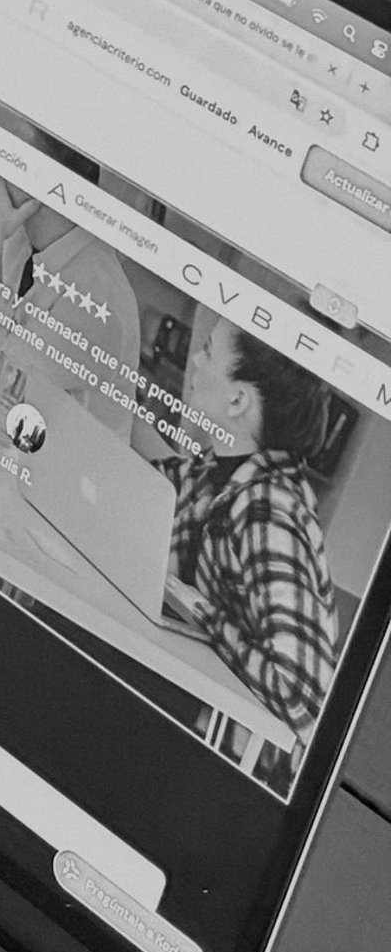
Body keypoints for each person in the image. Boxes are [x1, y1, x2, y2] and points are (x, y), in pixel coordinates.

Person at [165, 311, 340, 738]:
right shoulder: (220, 469)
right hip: (181, 699)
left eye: (208, 352)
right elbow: (163, 479)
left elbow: (302, 697)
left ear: (237, 401)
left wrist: (200, 612)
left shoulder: (268, 509)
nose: (196, 360)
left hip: (214, 743)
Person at [0, 136, 142, 440]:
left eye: (13, 158)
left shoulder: (98, 297)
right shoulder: (21, 239)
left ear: (46, 184)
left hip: (45, 463)